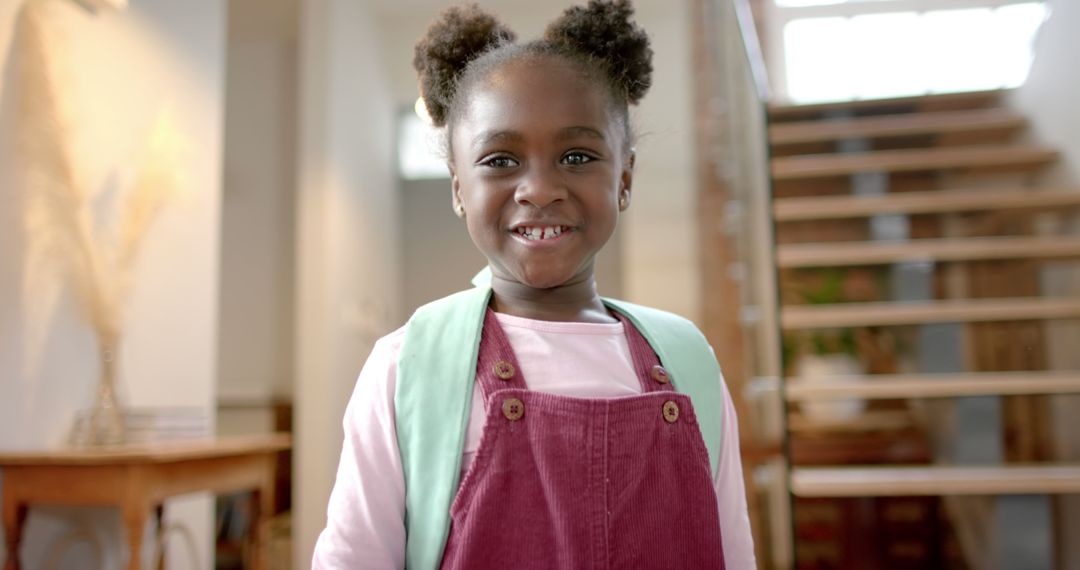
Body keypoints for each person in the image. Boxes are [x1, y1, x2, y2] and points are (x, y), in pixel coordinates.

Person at [312, 1, 756, 568]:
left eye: (576, 156)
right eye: (500, 160)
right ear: (457, 189)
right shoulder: (407, 367)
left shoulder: (691, 360)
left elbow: (733, 552)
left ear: (624, 178)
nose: (539, 188)